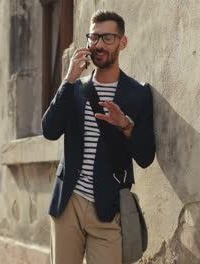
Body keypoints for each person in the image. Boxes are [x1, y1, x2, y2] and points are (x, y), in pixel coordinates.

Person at [42, 10, 156, 264]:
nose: (99, 45)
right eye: (94, 38)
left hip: (108, 208)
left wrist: (125, 125)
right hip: (68, 203)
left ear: (122, 42)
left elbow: (146, 157)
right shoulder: (75, 88)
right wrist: (69, 79)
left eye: (107, 38)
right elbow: (49, 131)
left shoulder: (138, 94)